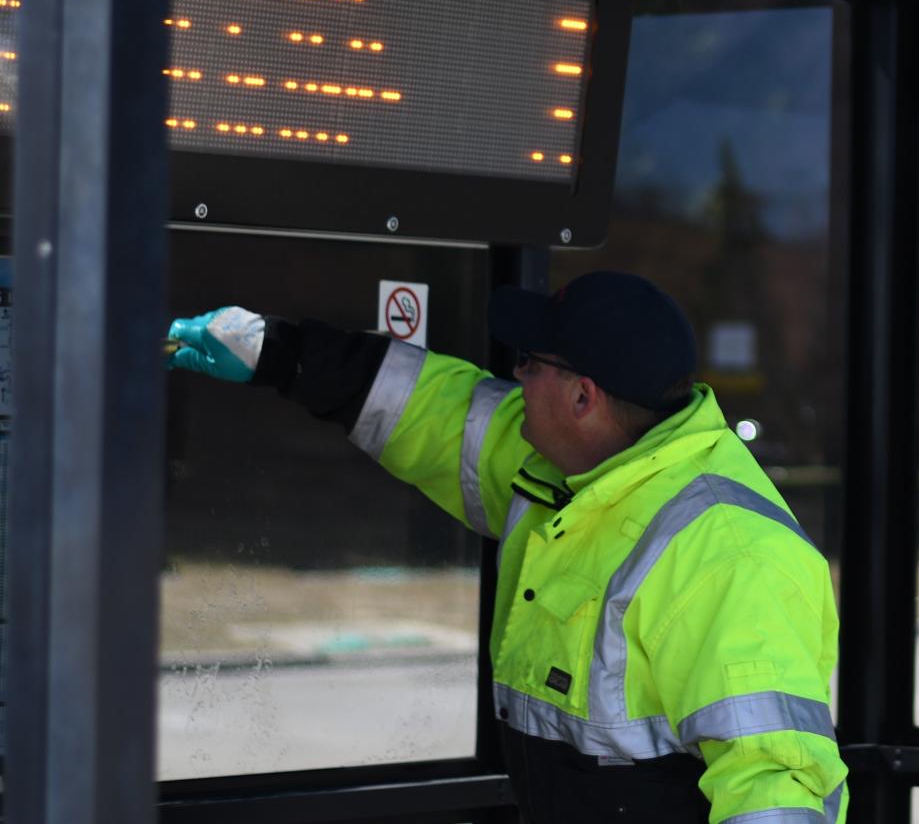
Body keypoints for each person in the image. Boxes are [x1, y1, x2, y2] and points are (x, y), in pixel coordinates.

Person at [168, 270, 847, 824]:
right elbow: (430, 411)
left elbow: (778, 785)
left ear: (584, 397)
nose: (514, 376)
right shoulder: (566, 461)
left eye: (529, 361)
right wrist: (272, 350)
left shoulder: (730, 554)